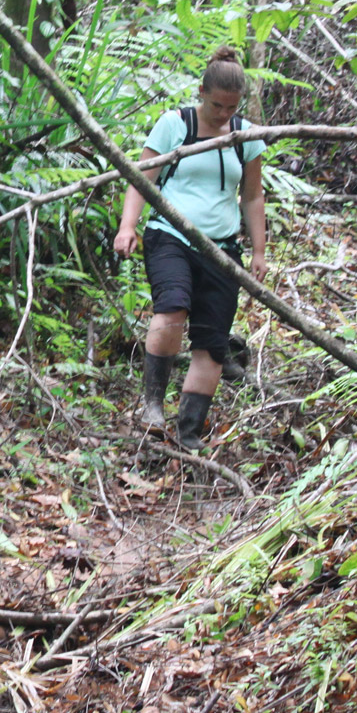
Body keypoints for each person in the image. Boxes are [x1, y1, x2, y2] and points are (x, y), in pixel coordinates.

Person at [112, 48, 268, 445]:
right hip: (171, 235)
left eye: (231, 107)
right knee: (172, 307)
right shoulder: (174, 124)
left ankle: (189, 432)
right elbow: (142, 178)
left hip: (222, 249)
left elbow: (252, 197)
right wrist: (128, 225)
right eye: (216, 105)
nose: (223, 115)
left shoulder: (245, 136)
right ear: (202, 92)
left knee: (213, 340)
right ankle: (152, 406)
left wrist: (258, 252)